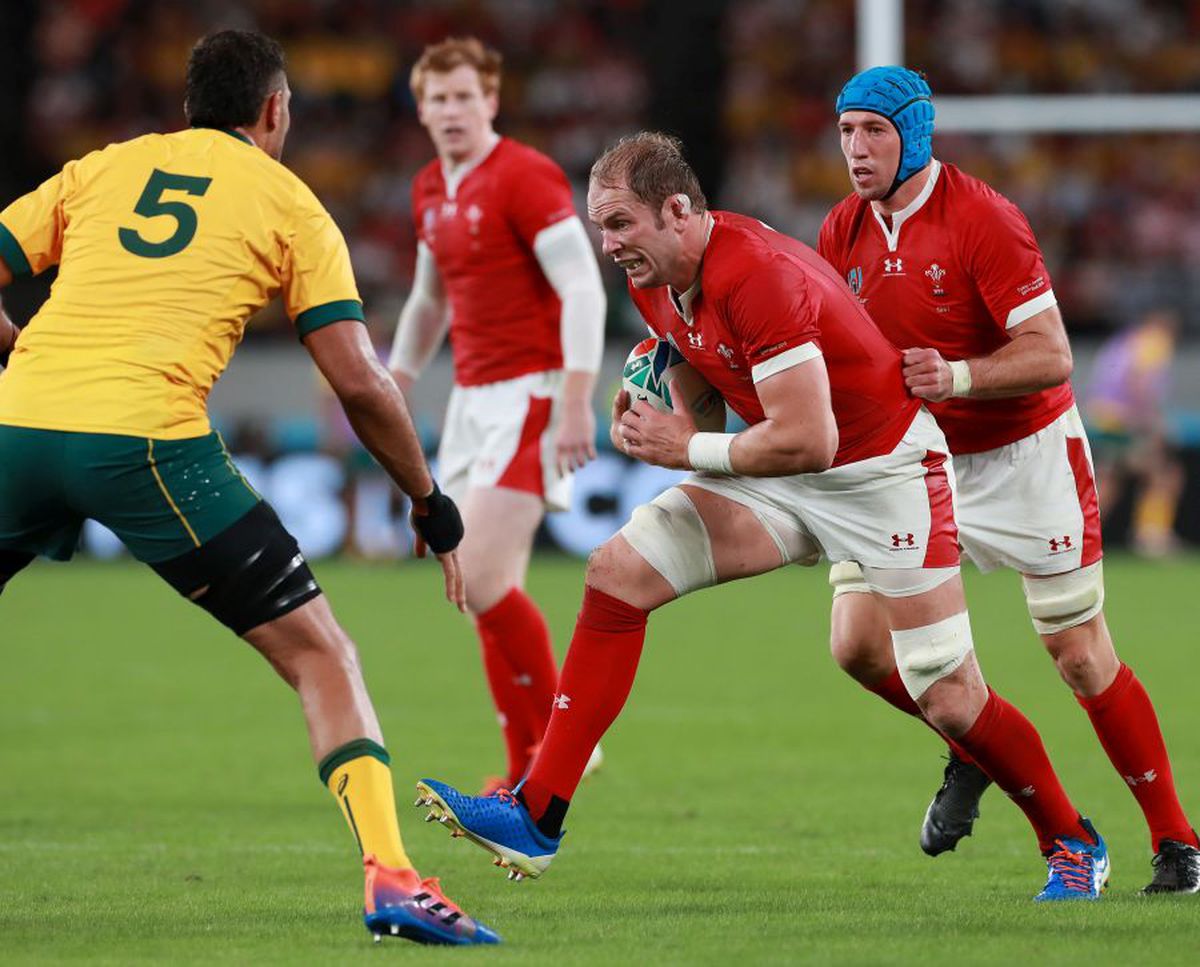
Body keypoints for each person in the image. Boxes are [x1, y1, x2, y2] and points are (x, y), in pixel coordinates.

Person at [413, 132, 1110, 902]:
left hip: (882, 474)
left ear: (678, 210)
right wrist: (659, 398)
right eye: (600, 226)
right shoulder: (655, 275)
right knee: (617, 572)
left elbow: (813, 437)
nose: (606, 244)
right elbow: (706, 386)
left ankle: (1071, 838)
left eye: (619, 224)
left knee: (948, 696)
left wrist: (686, 446)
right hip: (785, 465)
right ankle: (537, 813)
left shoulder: (758, 275)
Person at [0, 30, 498, 945]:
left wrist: (19, 348)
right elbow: (358, 380)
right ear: (275, 112)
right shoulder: (290, 203)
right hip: (147, 439)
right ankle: (392, 877)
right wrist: (429, 500)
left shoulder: (105, 168)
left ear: (190, 108)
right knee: (321, 655)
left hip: (16, 423)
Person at [819, 66, 1198, 894]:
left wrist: (953, 378)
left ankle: (1177, 840)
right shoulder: (841, 229)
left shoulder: (984, 219)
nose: (855, 148)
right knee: (856, 645)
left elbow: (1054, 355)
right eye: (846, 131)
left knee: (1079, 655)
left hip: (1022, 454)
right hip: (910, 461)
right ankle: (974, 747)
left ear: (914, 133)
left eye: (873, 131)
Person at [388, 37, 607, 793]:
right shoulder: (427, 188)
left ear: (492, 100)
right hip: (472, 402)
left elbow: (582, 286)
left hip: (533, 392)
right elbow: (429, 298)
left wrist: (578, 392)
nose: (451, 110)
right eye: (437, 98)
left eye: (464, 95)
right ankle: (522, 770)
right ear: (421, 108)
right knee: (478, 591)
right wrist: (395, 380)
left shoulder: (523, 174)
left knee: (478, 577)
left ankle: (561, 742)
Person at [1086, 308, 1185, 558]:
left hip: (1103, 418)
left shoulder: (1121, 341)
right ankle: (1151, 536)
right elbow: (1139, 381)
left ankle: (1084, 538)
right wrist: (1150, 420)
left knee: (1109, 480)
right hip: (1124, 421)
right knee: (1165, 474)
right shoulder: (1153, 341)